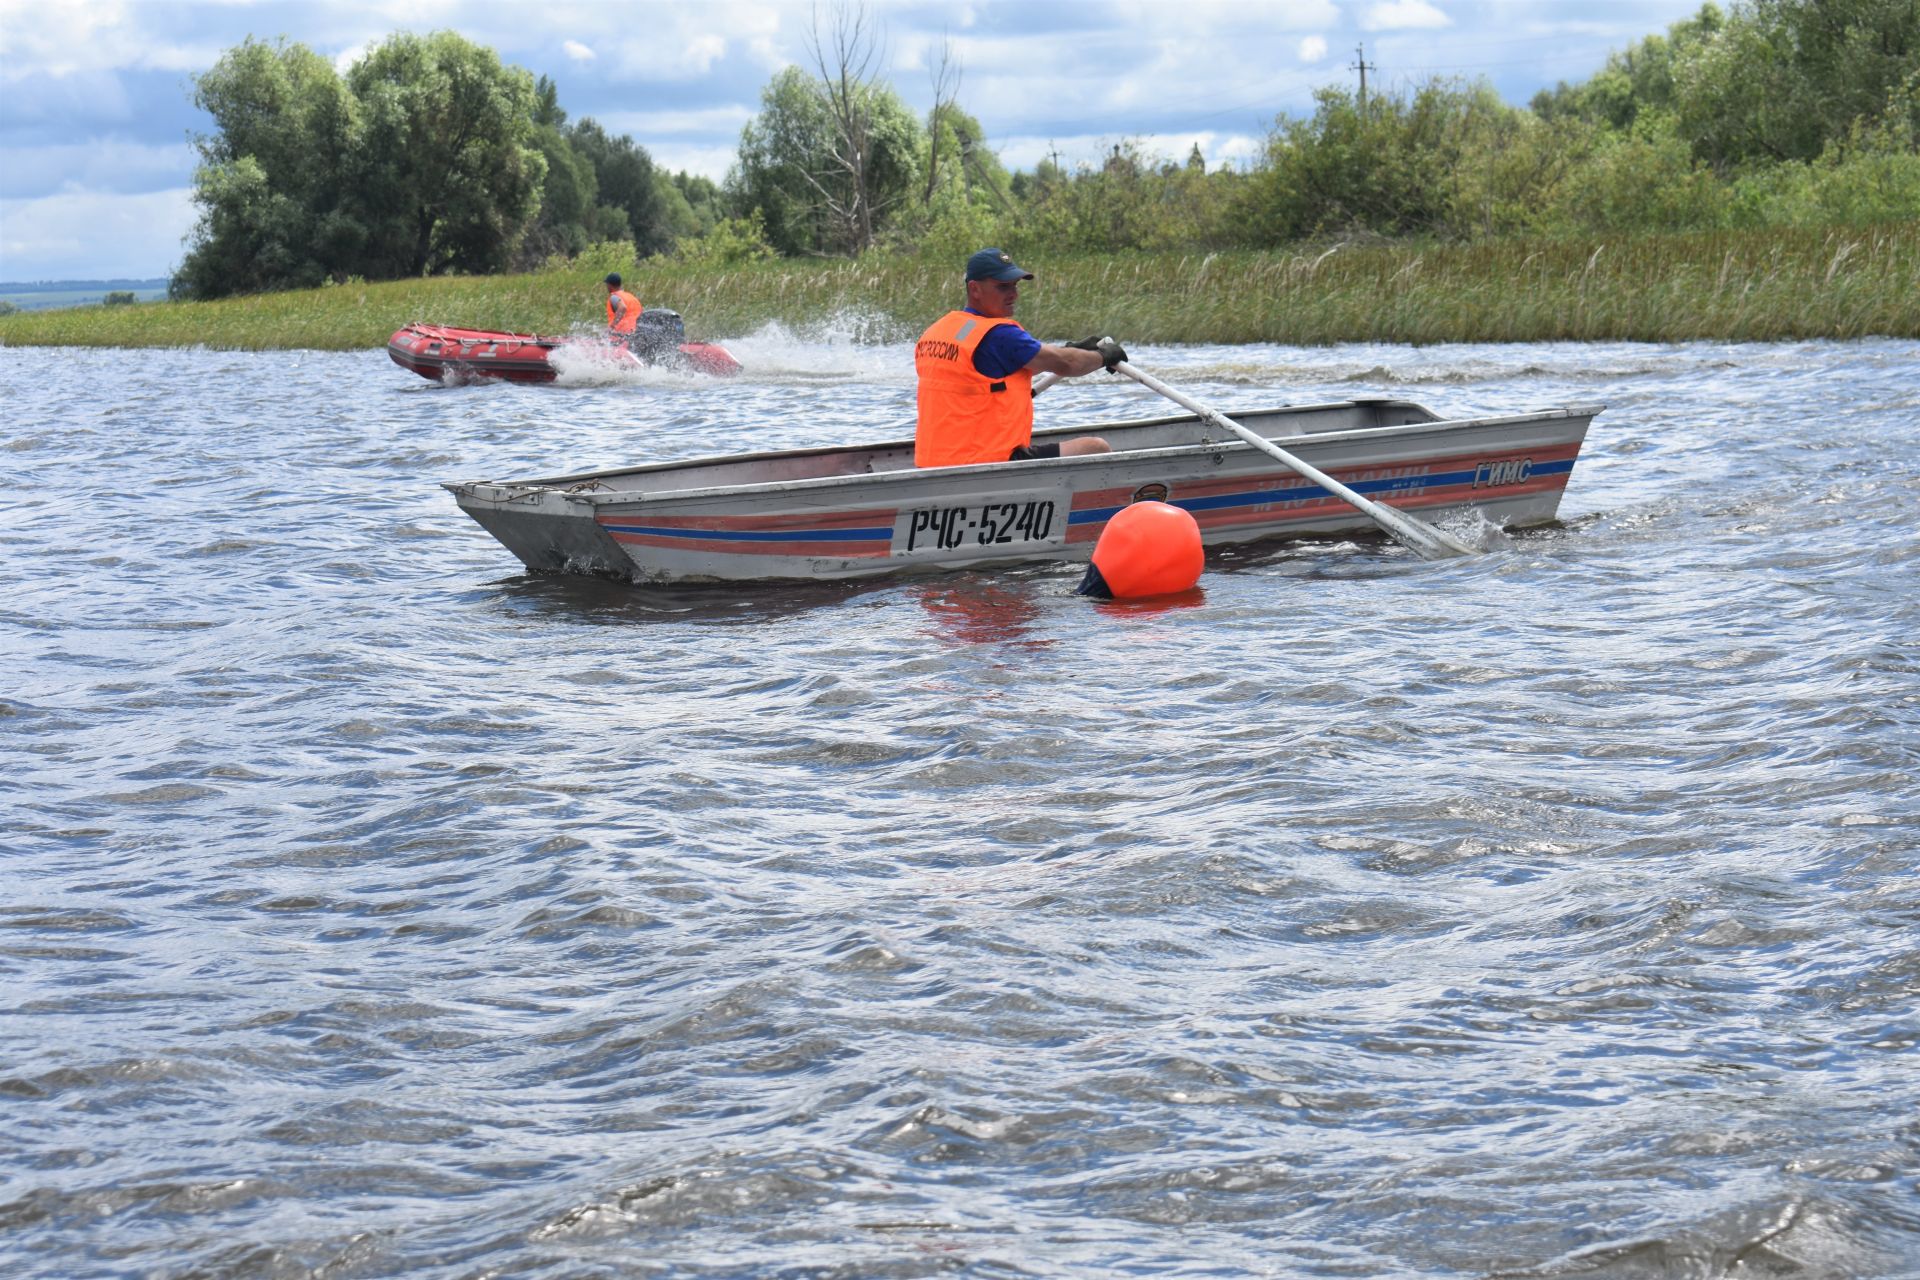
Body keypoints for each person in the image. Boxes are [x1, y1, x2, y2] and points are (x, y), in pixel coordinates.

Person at [914, 248, 1126, 468]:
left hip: (933, 464)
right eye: (1003, 287)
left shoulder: (936, 332)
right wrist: (1103, 356)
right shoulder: (1000, 334)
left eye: (1015, 285)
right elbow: (1066, 364)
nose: (1014, 294)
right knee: (1095, 448)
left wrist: (1071, 349)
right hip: (986, 465)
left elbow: (998, 369)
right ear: (975, 289)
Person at [603, 272, 641, 346]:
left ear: (609, 285)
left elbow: (622, 308)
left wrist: (612, 326)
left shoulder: (614, 297)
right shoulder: (631, 297)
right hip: (635, 334)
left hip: (621, 336)